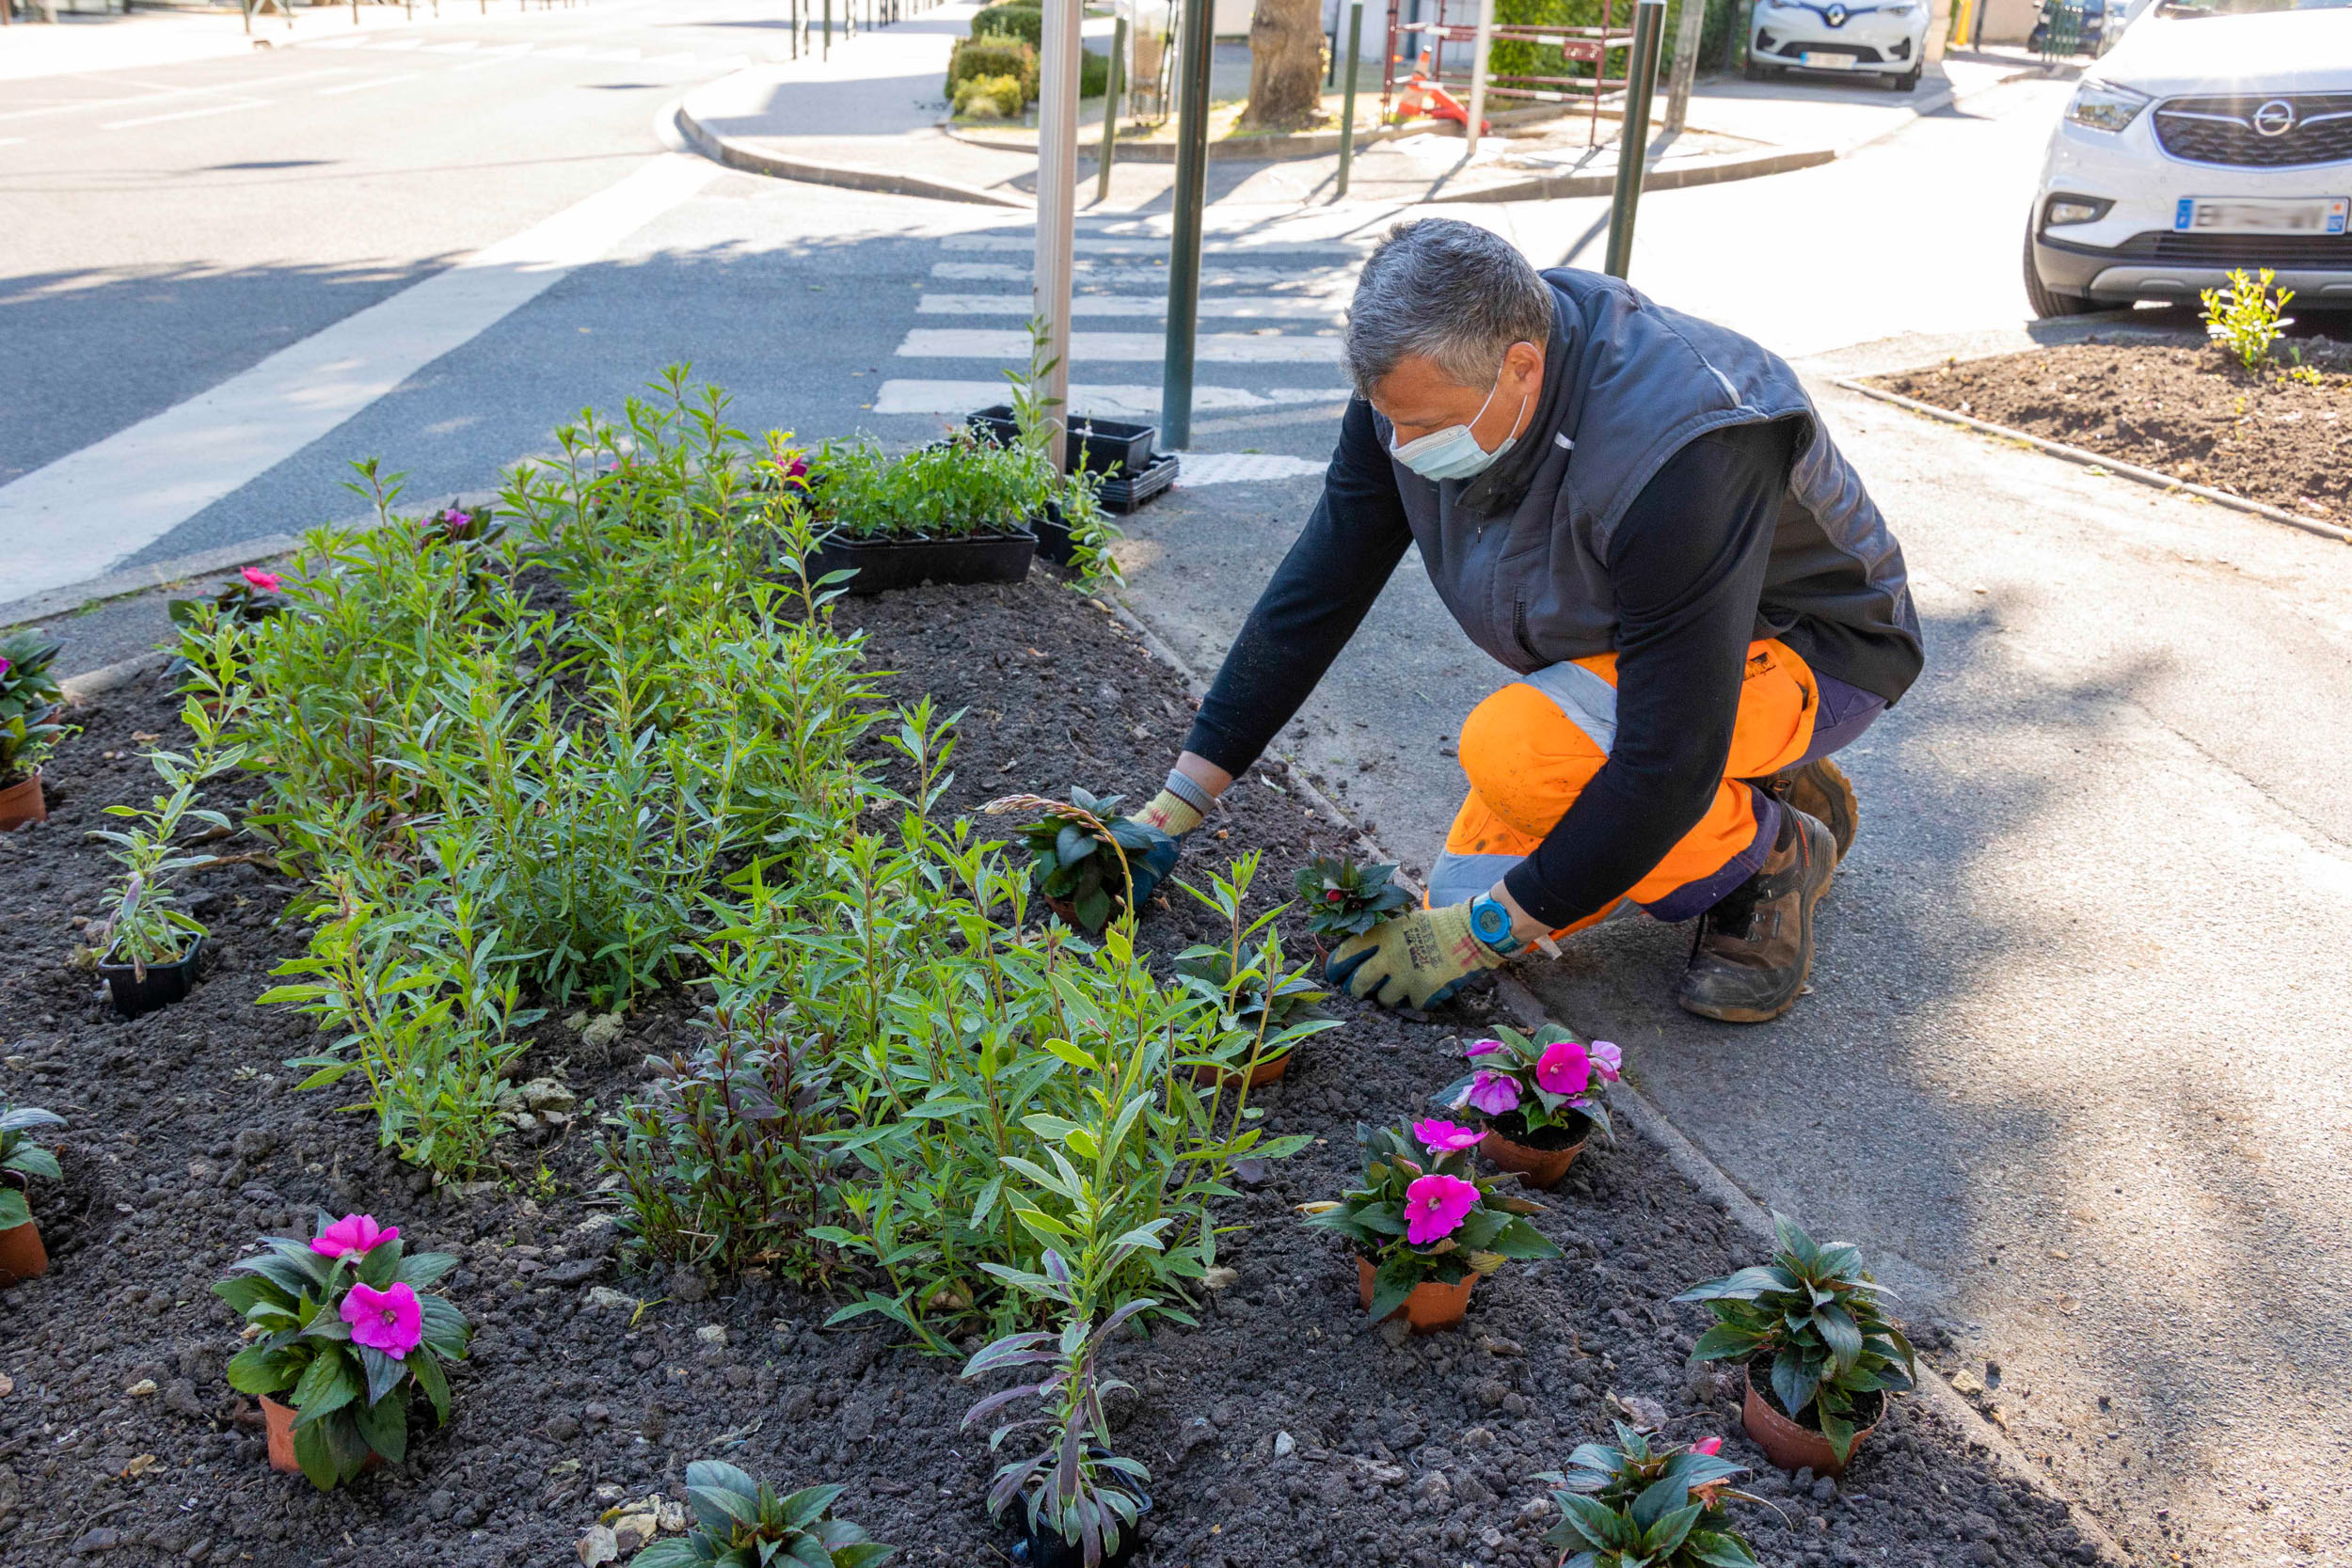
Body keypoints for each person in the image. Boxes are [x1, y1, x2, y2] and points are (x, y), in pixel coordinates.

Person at [1122, 220, 1923, 1022]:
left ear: (1522, 368)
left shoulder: (1682, 448)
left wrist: (1476, 940)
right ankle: (1750, 775)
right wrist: (1173, 807)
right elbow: (1318, 590)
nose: (1401, 448)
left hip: (1807, 648)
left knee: (1521, 757)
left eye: (1426, 427)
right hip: (1655, 656)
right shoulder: (1423, 380)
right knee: (1465, 889)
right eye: (1388, 420)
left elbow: (1667, 758)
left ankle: (1770, 854)